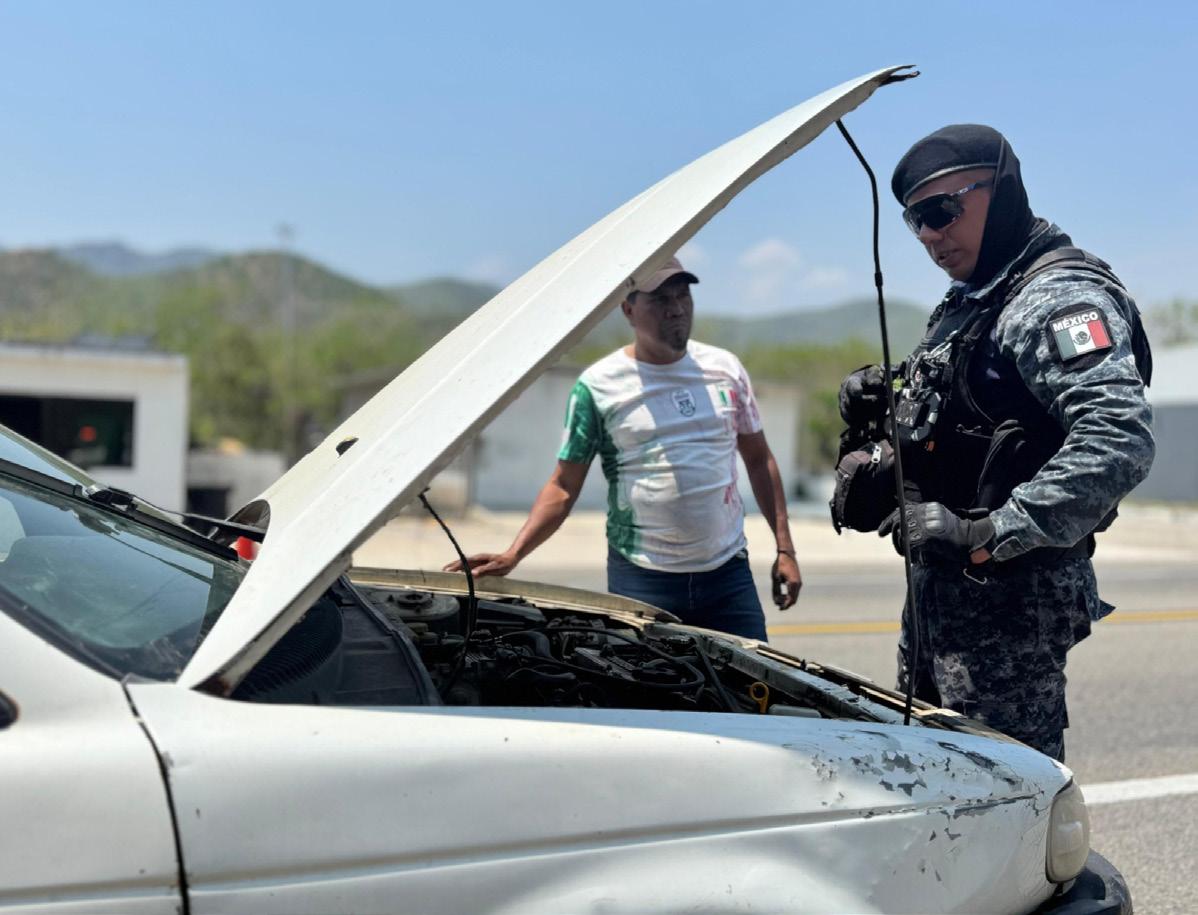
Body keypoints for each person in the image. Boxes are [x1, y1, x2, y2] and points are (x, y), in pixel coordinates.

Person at [839, 125, 1154, 761]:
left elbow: (1118, 438)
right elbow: (972, 406)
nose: (929, 235)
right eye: (914, 221)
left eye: (941, 211)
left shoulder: (1056, 299)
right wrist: (887, 397)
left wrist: (989, 532)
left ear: (1001, 190)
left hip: (1009, 605)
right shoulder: (973, 298)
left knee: (1006, 791)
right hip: (939, 601)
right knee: (932, 782)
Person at [445, 257, 801, 640]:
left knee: (751, 677)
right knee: (647, 678)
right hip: (642, 580)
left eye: (683, 295)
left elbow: (759, 460)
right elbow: (564, 485)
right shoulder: (599, 387)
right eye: (660, 299)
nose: (676, 308)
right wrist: (514, 553)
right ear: (628, 309)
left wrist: (785, 549)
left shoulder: (725, 369)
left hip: (727, 575)